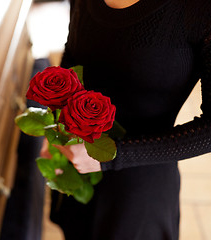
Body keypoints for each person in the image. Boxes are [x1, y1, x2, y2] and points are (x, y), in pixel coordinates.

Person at [41, 0, 211, 239]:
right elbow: (73, 57)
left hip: (140, 184)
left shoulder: (200, 11)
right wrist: (57, 126)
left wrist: (111, 156)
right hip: (78, 164)